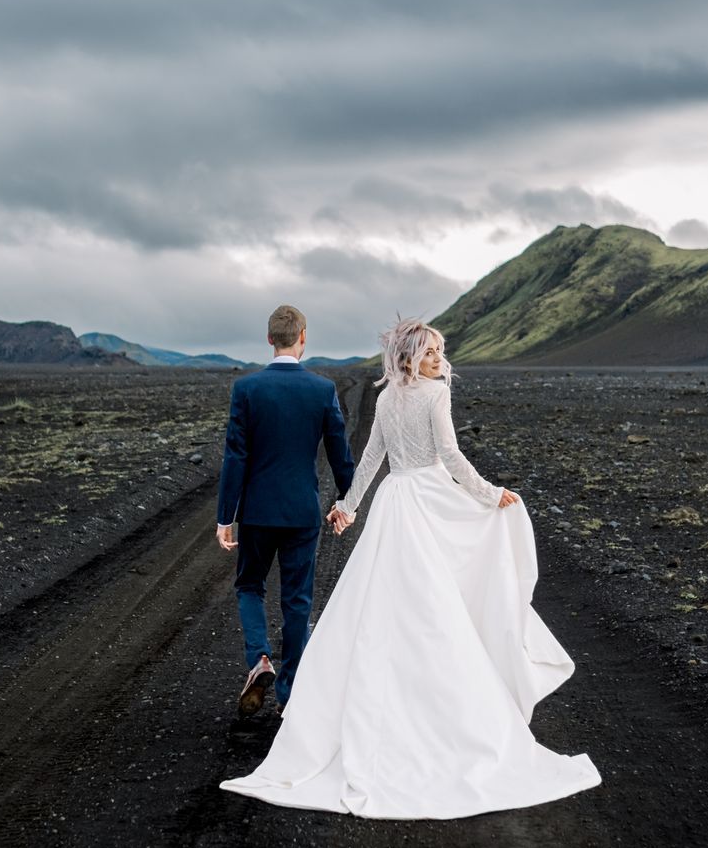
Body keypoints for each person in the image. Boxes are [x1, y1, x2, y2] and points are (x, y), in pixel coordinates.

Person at [219, 318, 601, 818]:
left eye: (440, 350)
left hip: (397, 502)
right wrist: (490, 494)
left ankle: (378, 703)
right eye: (429, 351)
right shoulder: (434, 395)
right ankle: (438, 712)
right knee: (437, 603)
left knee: (391, 606)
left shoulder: (388, 398)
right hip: (427, 499)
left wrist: (352, 506)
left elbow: (375, 458)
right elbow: (447, 454)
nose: (439, 358)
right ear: (409, 356)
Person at [216, 304, 357, 716]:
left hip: (257, 512)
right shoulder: (322, 390)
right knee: (297, 601)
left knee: (249, 586)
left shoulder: (246, 389)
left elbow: (235, 458)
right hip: (301, 513)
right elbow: (339, 454)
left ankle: (260, 659)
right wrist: (346, 503)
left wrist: (226, 517)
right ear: (303, 337)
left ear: (269, 340)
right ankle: (291, 696)